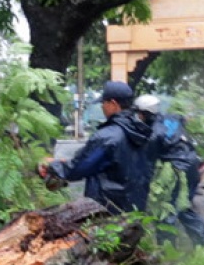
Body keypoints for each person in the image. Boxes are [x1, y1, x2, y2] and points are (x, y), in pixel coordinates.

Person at [39, 80, 151, 214]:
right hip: (134, 209)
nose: (102, 107)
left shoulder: (107, 137)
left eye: (104, 103)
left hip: (107, 209)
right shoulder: (141, 133)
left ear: (113, 104)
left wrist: (53, 166)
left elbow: (79, 168)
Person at [134, 94, 204, 246]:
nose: (138, 117)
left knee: (167, 209)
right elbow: (183, 119)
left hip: (177, 171)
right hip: (192, 165)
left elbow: (148, 163)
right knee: (183, 206)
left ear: (146, 114)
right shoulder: (173, 117)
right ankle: (203, 243)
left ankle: (167, 251)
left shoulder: (154, 134)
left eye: (139, 113)